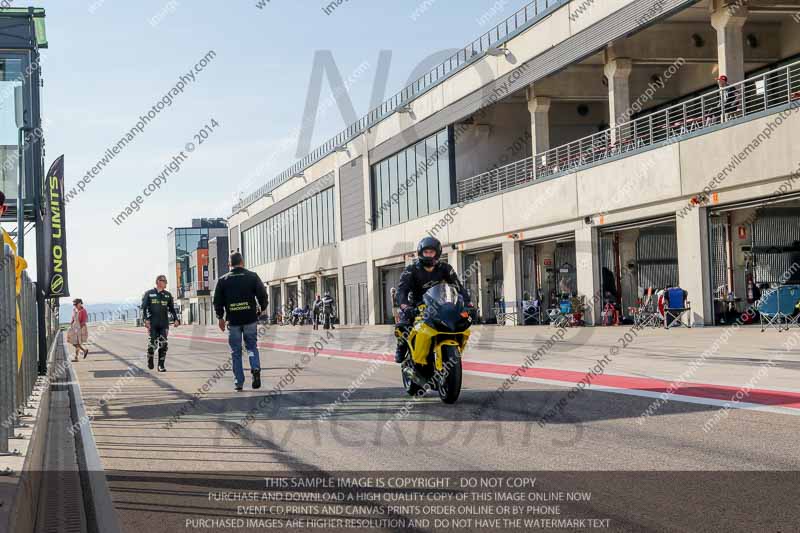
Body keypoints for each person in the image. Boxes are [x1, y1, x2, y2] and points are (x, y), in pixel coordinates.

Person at [394, 236, 471, 363]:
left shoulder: (445, 268)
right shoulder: (411, 270)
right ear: (421, 253)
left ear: (437, 253)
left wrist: (468, 303)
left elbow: (458, 287)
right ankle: (401, 346)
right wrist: (406, 307)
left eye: (432, 252)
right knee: (403, 325)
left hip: (438, 303)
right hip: (416, 305)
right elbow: (401, 291)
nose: (429, 255)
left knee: (456, 321)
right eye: (426, 252)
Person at [213, 252, 268, 392]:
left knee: (236, 352)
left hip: (233, 321)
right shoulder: (252, 276)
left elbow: (217, 301)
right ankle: (255, 368)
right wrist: (262, 308)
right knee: (251, 347)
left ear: (229, 264)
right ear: (242, 262)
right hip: (250, 319)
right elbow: (263, 294)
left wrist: (220, 317)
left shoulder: (222, 280)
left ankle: (239, 382)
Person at [141, 274, 179, 372]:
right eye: (164, 281)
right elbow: (144, 308)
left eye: (166, 281)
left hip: (164, 324)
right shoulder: (149, 293)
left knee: (163, 344)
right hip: (152, 324)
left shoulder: (168, 295)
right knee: (152, 344)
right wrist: (145, 320)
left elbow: (172, 309)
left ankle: (161, 365)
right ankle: (150, 359)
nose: (166, 283)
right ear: (158, 281)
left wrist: (176, 319)